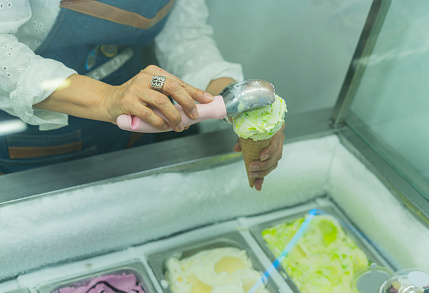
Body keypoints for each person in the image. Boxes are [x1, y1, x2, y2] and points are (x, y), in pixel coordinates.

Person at [0, 0, 284, 191]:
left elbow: (185, 37)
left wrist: (231, 99)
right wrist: (105, 99)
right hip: (35, 135)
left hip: (135, 123)